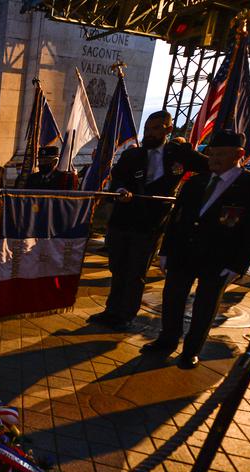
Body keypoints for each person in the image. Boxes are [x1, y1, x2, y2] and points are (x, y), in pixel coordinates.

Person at [141, 130, 250, 369]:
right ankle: (167, 340)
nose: (214, 159)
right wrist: (165, 251)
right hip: (183, 252)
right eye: (212, 154)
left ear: (239, 154)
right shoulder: (196, 181)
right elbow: (177, 219)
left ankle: (191, 350)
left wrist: (238, 265)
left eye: (221, 154)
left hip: (219, 257)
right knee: (172, 298)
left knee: (206, 306)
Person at [89, 110, 208, 329]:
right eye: (147, 129)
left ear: (168, 130)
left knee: (136, 272)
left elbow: (210, 167)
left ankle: (125, 315)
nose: (149, 134)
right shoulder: (132, 155)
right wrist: (122, 190)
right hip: (122, 221)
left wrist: (187, 151)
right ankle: (111, 310)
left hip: (149, 224)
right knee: (118, 268)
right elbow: (118, 178)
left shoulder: (178, 154)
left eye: (155, 129)